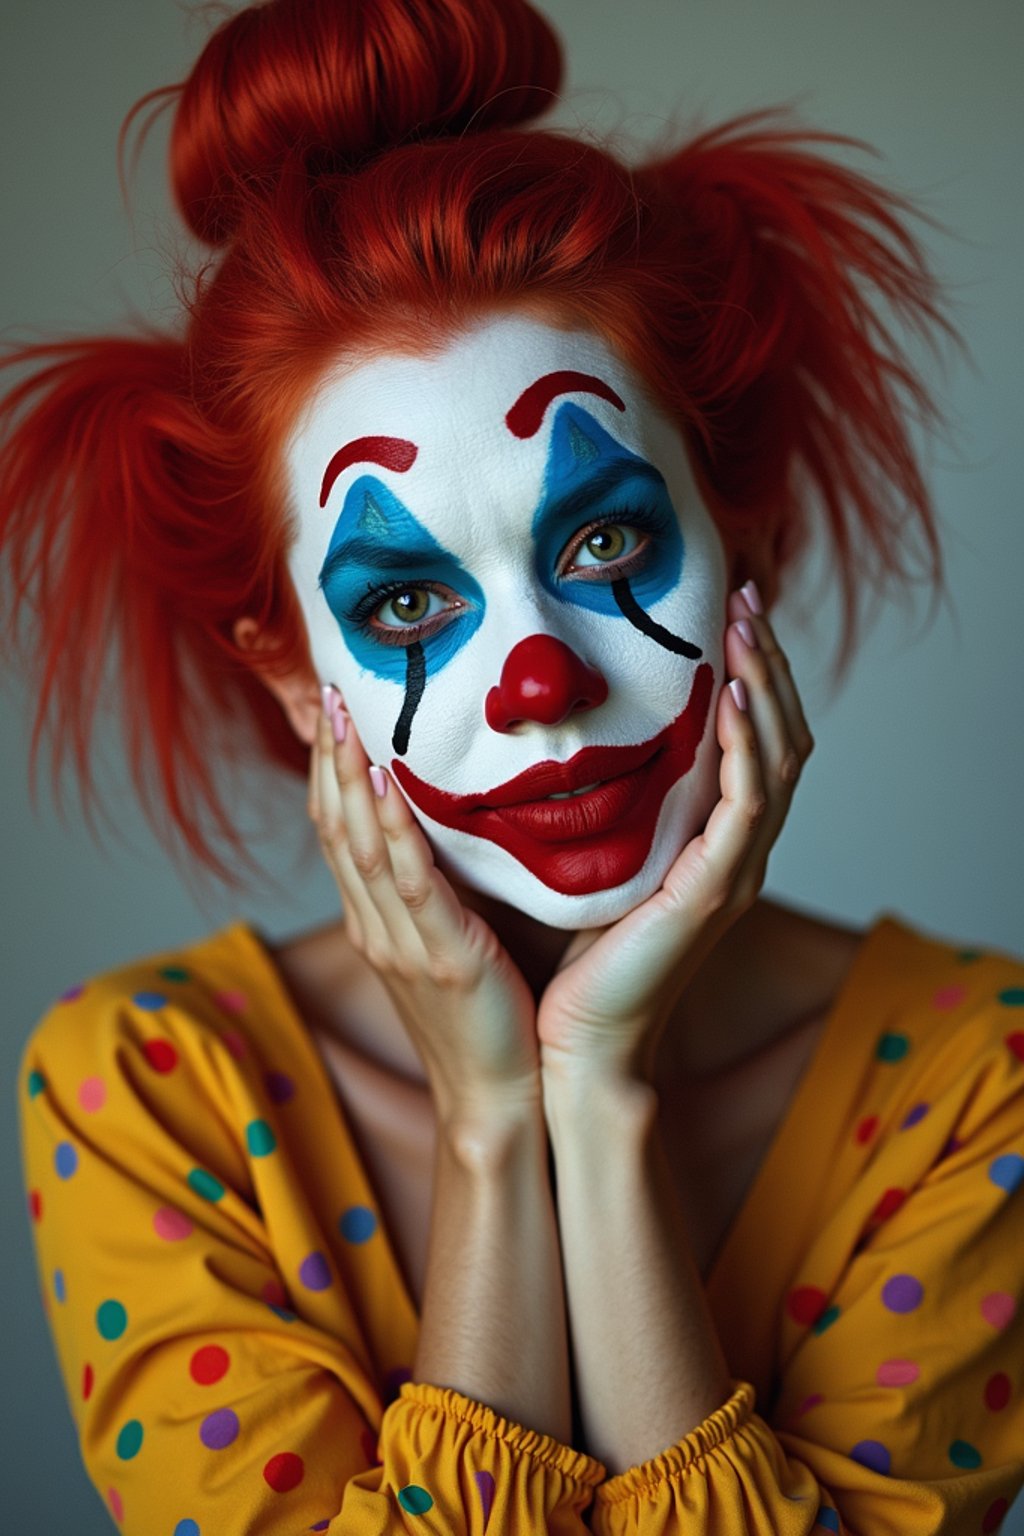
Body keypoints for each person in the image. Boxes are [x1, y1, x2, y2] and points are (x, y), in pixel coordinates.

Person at [4, 0, 1022, 1531]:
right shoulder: (146, 1092)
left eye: (605, 536)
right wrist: (496, 1121)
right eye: (406, 602)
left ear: (750, 540)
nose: (541, 683)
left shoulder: (981, 1081)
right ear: (291, 673)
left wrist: (594, 1094)